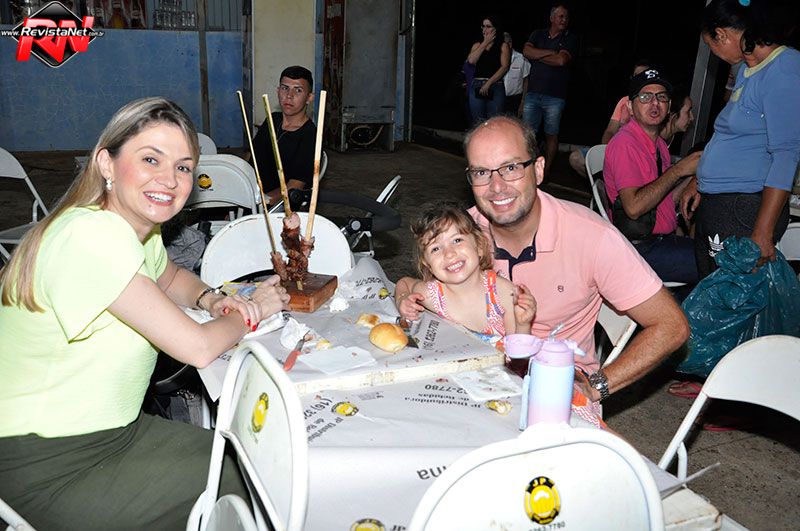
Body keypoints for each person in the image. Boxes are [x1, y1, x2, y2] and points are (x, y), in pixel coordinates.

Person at [0, 97, 291, 530]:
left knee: (251, 456)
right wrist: (254, 310)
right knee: (255, 478)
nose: (169, 180)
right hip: (48, 458)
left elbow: (170, 277)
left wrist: (211, 299)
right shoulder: (90, 236)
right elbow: (197, 347)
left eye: (183, 167)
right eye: (150, 159)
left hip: (113, 432)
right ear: (107, 163)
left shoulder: (134, 229)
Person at [463, 115, 689, 406]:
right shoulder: (461, 235)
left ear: (539, 169)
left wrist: (596, 387)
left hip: (554, 389)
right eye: (482, 172)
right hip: (476, 376)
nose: (496, 186)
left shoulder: (591, 237)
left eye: (511, 168)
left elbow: (671, 325)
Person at [685, 0, 800, 279]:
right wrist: (700, 180)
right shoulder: (747, 70)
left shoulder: (784, 68)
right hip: (721, 205)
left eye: (711, 46)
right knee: (712, 289)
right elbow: (732, 135)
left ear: (721, 34)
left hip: (743, 208)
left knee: (730, 296)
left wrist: (762, 232)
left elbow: (786, 154)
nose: (715, 55)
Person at [603, 69, 701, 285]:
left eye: (661, 97)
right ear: (630, 107)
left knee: (717, 253)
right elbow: (634, 207)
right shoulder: (625, 144)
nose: (655, 103)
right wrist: (678, 170)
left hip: (661, 240)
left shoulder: (659, 145)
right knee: (715, 263)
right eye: (645, 97)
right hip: (637, 248)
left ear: (668, 106)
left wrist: (693, 177)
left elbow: (664, 200)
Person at [395, 201, 536, 348]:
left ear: (479, 246)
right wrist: (402, 299)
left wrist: (523, 325)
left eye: (457, 240)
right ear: (427, 264)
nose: (449, 253)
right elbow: (404, 283)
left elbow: (519, 352)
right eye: (435, 249)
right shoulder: (431, 295)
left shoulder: (503, 293)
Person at [568, 60, 653, 177]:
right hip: (616, 150)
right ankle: (605, 183)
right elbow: (610, 131)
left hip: (636, 156)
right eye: (636, 75)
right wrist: (609, 150)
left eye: (643, 75)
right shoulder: (624, 101)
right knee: (575, 158)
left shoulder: (654, 104)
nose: (640, 79)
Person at [522, 4, 578, 180]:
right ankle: (527, 169)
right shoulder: (538, 34)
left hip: (555, 97)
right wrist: (549, 53)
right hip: (533, 93)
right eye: (561, 16)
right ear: (552, 18)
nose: (564, 20)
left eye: (566, 17)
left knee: (551, 135)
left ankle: (545, 173)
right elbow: (526, 51)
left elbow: (561, 60)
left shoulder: (570, 38)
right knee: (527, 134)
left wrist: (537, 55)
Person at [252, 65, 317, 204]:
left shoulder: (310, 135)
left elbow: (294, 187)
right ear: (278, 91)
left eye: (298, 90)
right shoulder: (272, 119)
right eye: (285, 88)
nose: (289, 95)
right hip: (250, 190)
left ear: (309, 97)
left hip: (272, 205)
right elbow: (251, 157)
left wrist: (259, 202)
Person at [466, 15, 510, 124]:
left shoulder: (503, 45)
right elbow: (471, 61)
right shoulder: (477, 45)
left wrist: (488, 83)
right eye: (483, 26)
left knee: (494, 123)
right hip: (477, 85)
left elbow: (505, 67)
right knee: (478, 123)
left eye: (488, 26)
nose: (484, 29)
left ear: (495, 29)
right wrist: (485, 43)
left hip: (496, 85)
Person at [502, 32, 531, 116]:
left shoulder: (521, 59)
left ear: (510, 44)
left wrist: (522, 102)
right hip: (497, 98)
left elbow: (526, 82)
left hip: (515, 100)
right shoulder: (495, 58)